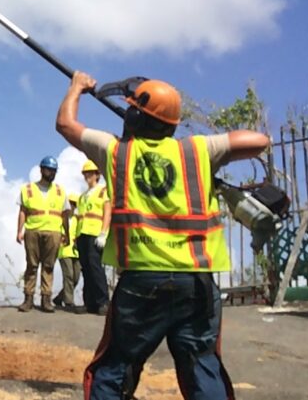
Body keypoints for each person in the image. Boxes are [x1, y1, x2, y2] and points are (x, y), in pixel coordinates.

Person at [56, 71, 270, 400]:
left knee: (115, 367)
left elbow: (66, 125)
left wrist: (77, 88)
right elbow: (259, 141)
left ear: (134, 116)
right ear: (172, 124)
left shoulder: (114, 153)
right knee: (202, 365)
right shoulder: (197, 151)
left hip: (141, 283)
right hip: (196, 283)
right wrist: (215, 148)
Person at [16, 155, 69, 313]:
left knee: (48, 266)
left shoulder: (60, 191)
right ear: (41, 170)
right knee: (32, 265)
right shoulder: (28, 189)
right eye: (48, 170)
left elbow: (65, 214)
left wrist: (67, 233)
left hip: (53, 231)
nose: (51, 173)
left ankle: (46, 298)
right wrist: (19, 231)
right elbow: (22, 212)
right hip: (33, 230)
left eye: (54, 171)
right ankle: (28, 298)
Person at [76, 160, 112, 315]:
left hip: (95, 234)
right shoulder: (83, 196)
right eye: (86, 174)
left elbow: (107, 212)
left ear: (97, 175)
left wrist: (103, 233)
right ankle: (89, 302)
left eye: (90, 173)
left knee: (95, 266)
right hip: (82, 234)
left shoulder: (103, 191)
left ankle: (103, 302)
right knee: (86, 268)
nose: (88, 176)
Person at [52, 190, 81, 311]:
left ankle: (59, 298)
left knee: (76, 278)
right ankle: (69, 302)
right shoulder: (60, 219)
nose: (71, 206)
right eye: (70, 203)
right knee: (68, 275)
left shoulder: (77, 220)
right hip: (64, 251)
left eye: (74, 204)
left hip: (76, 252)